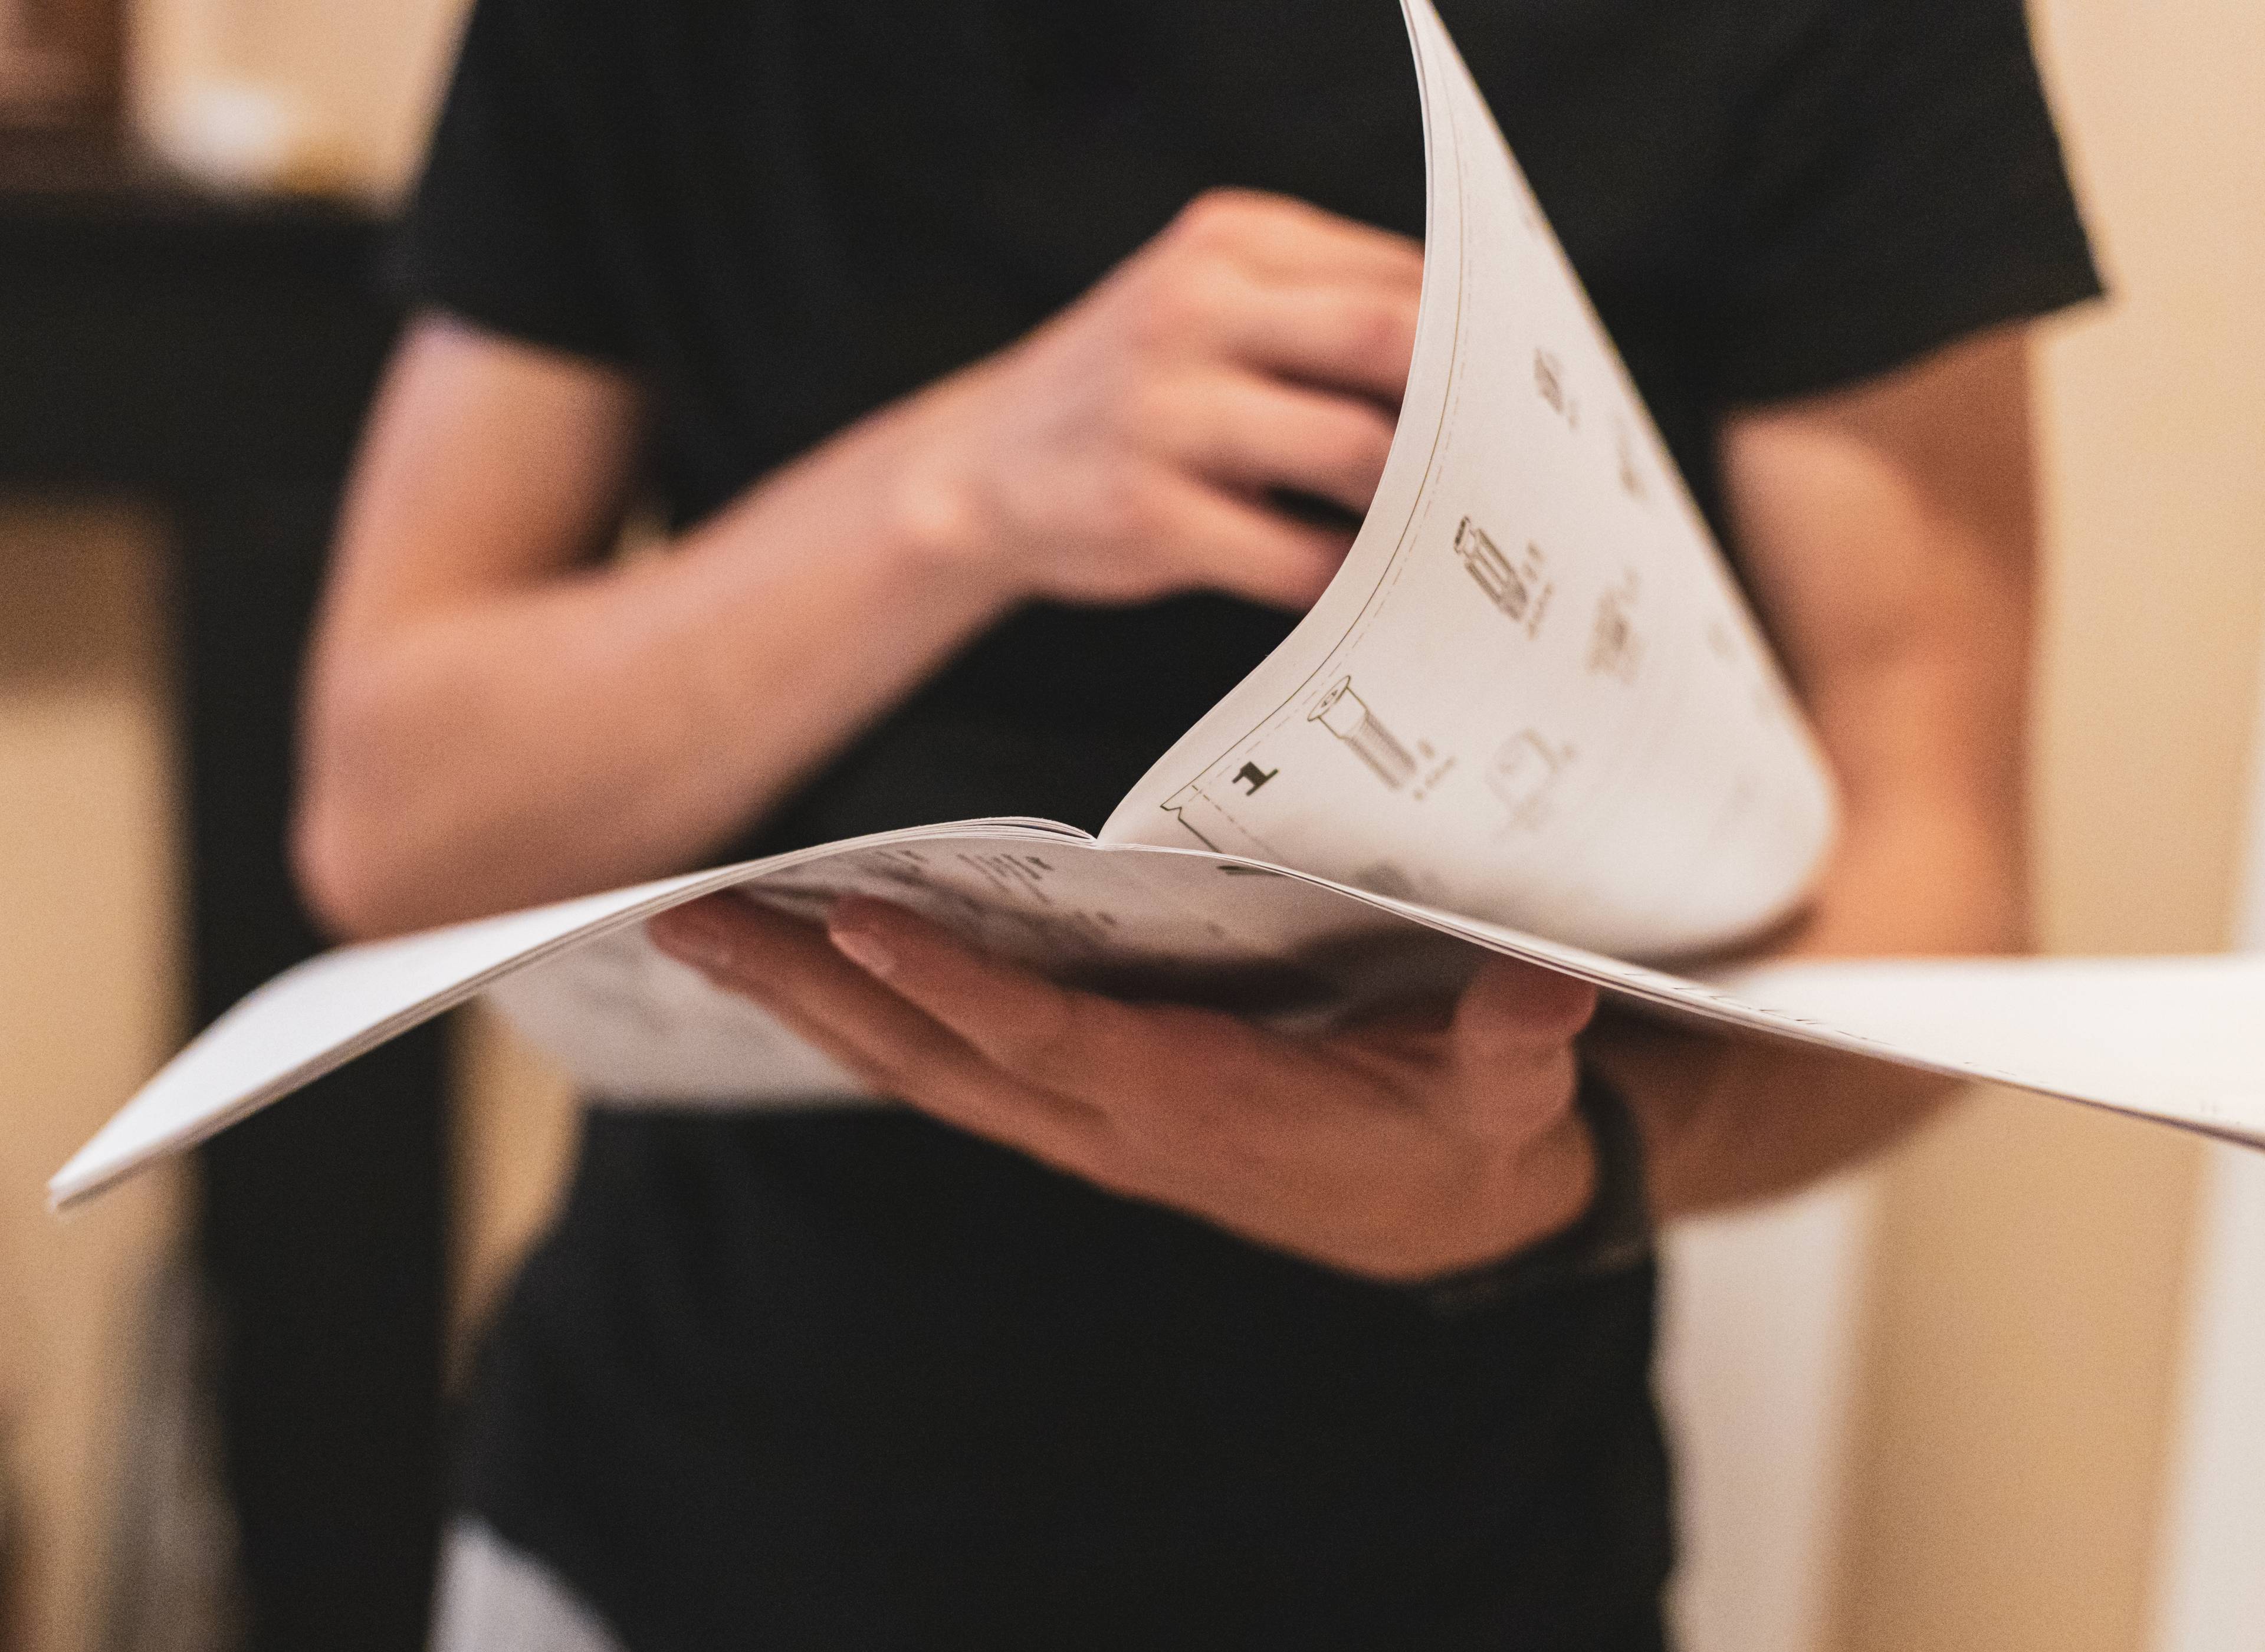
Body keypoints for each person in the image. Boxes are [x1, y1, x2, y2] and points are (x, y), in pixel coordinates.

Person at [292, 0, 2099, 1645]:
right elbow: (389, 819)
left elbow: (1932, 876)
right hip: (680, 1519)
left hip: (1457, 1552)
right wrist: (958, 490)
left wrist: (1556, 1177)